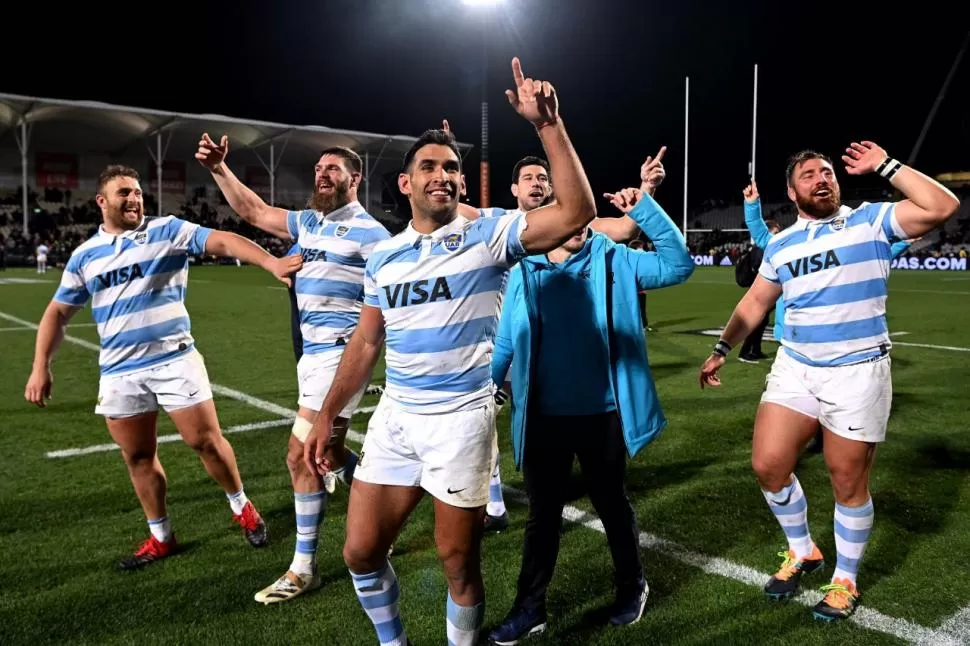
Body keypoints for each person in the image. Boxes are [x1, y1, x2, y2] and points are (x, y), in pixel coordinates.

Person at [302, 57, 597, 646]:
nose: (444, 175)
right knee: (360, 552)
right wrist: (328, 414)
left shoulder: (488, 233)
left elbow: (576, 212)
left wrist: (547, 126)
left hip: (461, 418)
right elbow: (365, 340)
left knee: (457, 562)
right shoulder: (384, 257)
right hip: (396, 416)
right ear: (405, 183)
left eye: (453, 167)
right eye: (430, 166)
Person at [698, 143, 960, 621]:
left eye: (828, 172)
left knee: (847, 481)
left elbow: (942, 206)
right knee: (768, 465)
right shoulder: (781, 244)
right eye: (809, 175)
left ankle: (845, 579)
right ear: (792, 191)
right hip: (796, 366)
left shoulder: (871, 221)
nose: (822, 179)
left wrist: (886, 166)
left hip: (858, 370)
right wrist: (721, 349)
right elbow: (755, 303)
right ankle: (804, 551)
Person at [24, 164, 302, 570]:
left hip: (174, 361)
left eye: (137, 192)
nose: (134, 198)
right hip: (120, 373)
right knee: (138, 456)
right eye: (124, 193)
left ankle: (241, 505)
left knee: (205, 442)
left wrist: (270, 263)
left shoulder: (166, 230)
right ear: (102, 202)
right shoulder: (84, 256)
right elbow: (57, 313)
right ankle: (161, 536)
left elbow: (221, 241)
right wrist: (40, 367)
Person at [487, 186, 694, 644]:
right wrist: (489, 389)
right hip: (543, 418)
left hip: (603, 414)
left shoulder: (613, 257)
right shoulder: (525, 268)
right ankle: (530, 608)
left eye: (585, 215)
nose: (580, 223)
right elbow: (507, 339)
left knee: (611, 504)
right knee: (542, 518)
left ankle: (632, 586)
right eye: (570, 215)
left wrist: (644, 209)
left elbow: (679, 265)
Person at [195, 138, 391, 604]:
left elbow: (385, 309)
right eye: (319, 168)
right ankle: (379, 507)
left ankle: (303, 568)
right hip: (311, 354)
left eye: (333, 170)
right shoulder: (306, 222)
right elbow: (256, 211)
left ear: (354, 179)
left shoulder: (374, 236)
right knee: (331, 452)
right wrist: (221, 169)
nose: (322, 174)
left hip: (340, 357)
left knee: (300, 455)